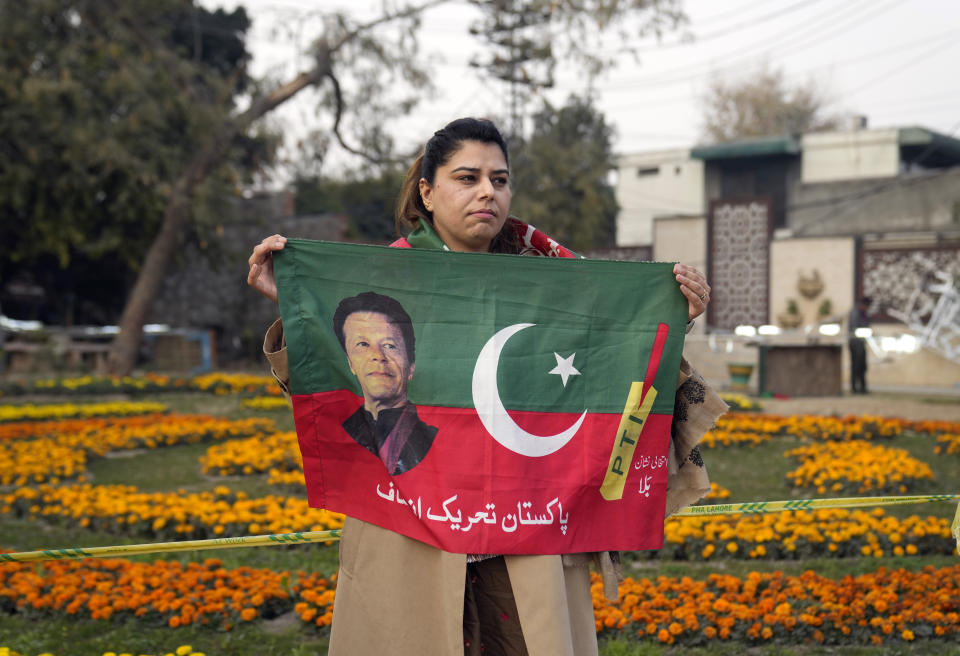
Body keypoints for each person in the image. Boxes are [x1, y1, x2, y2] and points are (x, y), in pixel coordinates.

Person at [247, 117, 727, 656]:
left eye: (499, 180)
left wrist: (670, 315)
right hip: (411, 532)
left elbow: (611, 370)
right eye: (467, 177)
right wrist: (294, 305)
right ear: (427, 192)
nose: (486, 193)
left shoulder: (554, 281)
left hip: (528, 534)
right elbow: (333, 393)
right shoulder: (380, 279)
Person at [334, 291, 438, 475]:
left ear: (411, 366)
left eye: (390, 345)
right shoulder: (335, 431)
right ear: (350, 363)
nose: (378, 356)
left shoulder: (437, 442)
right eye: (363, 345)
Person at [847, 296, 871, 394]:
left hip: (861, 342)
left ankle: (862, 387)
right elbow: (854, 329)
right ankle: (855, 388)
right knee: (856, 366)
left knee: (862, 366)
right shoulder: (855, 313)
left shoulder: (863, 313)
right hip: (855, 343)